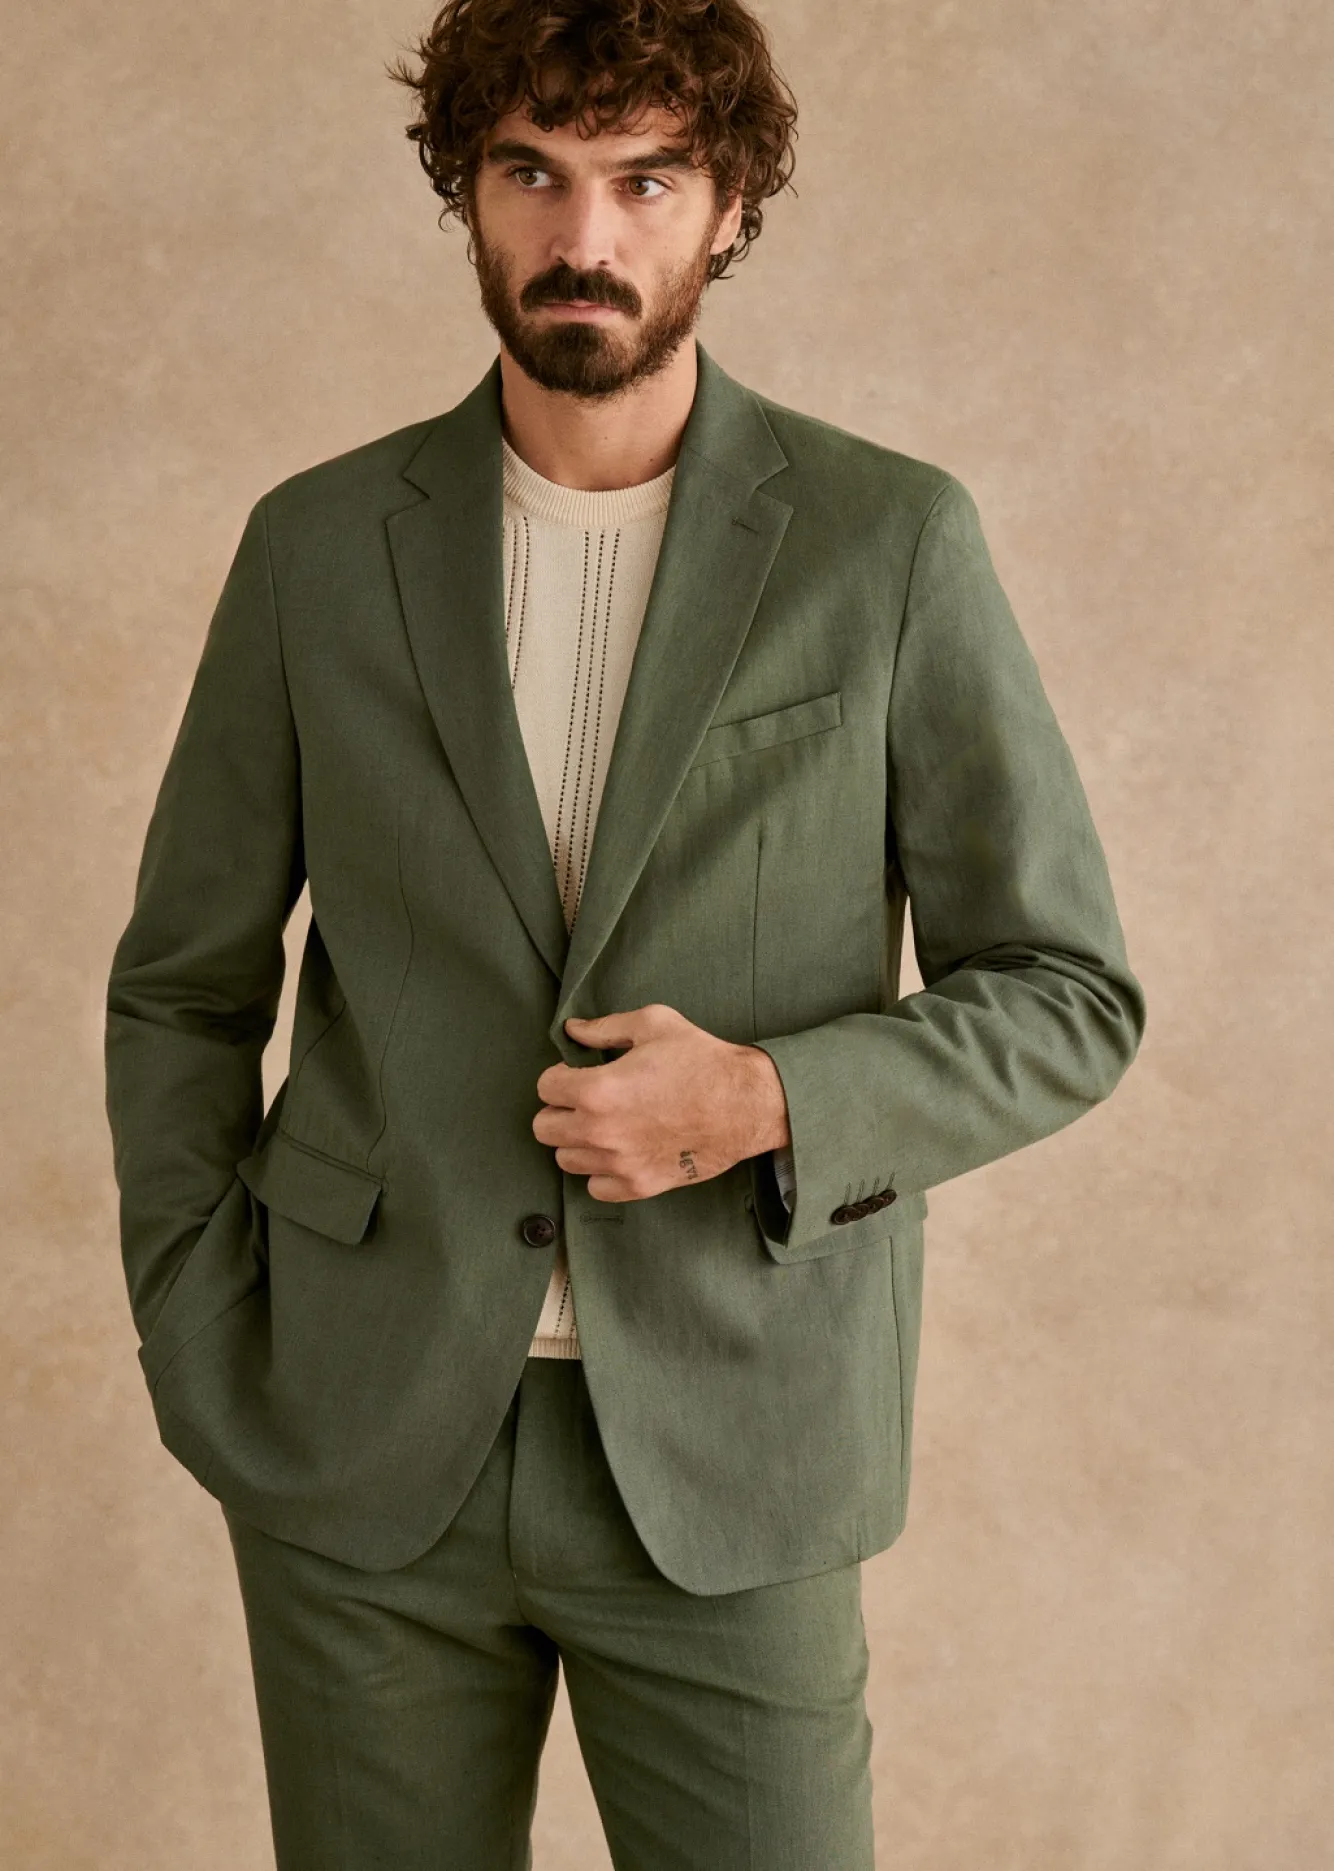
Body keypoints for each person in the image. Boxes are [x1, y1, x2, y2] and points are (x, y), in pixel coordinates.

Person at [103, 1, 1147, 1864]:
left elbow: (1065, 993)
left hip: (740, 1447)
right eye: (533, 174)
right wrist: (198, 1327)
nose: (583, 236)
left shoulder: (885, 543)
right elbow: (184, 986)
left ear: (728, 206)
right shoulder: (315, 548)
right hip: (358, 1445)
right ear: (468, 192)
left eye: (645, 180)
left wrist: (766, 1099)